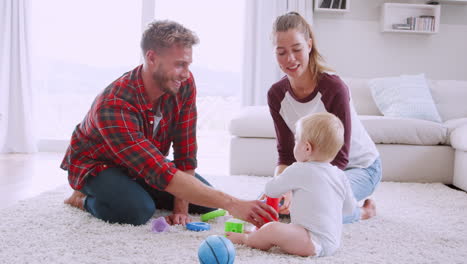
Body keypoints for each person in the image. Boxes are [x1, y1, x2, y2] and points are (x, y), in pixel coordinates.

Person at [62, 20, 276, 227]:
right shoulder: (113, 105)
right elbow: (159, 170)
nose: (185, 74)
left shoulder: (182, 84)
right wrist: (233, 204)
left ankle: (131, 189)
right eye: (179, 65)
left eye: (188, 64)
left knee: (204, 204)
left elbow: (186, 147)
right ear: (152, 57)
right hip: (98, 165)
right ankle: (82, 199)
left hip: (144, 163)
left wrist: (180, 209)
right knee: (137, 210)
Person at [267, 12, 381, 223]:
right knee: (272, 205)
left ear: (309, 45)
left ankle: (363, 212)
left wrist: (302, 186)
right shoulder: (276, 94)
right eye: (281, 52)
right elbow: (285, 155)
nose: (290, 59)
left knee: (314, 206)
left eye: (297, 49)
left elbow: (340, 157)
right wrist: (283, 188)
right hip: (315, 168)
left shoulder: (333, 88)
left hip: (359, 167)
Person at [227, 113, 374, 257]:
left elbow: (270, 190)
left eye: (296, 140)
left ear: (307, 148)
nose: (294, 144)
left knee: (272, 229)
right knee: (286, 229)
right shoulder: (340, 175)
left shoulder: (299, 169)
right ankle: (262, 235)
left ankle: (247, 239)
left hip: (309, 240)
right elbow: (348, 209)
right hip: (333, 242)